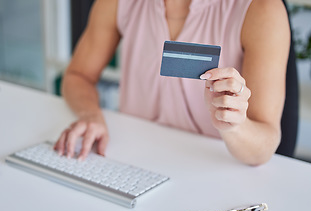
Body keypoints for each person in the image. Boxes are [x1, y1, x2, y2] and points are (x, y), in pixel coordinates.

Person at [54, 0, 290, 166]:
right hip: (129, 158)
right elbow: (78, 76)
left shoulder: (262, 9)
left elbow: (265, 145)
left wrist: (235, 125)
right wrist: (91, 115)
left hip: (214, 169)